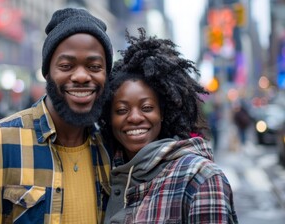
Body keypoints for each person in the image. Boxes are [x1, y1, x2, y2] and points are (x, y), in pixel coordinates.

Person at [0, 7, 113, 223]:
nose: (82, 76)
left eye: (94, 66)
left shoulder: (110, 149)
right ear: (47, 72)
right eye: (66, 65)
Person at [100, 28, 238, 223]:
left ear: (163, 113)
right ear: (109, 117)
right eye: (121, 110)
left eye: (147, 107)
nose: (135, 117)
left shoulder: (200, 177)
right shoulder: (103, 172)